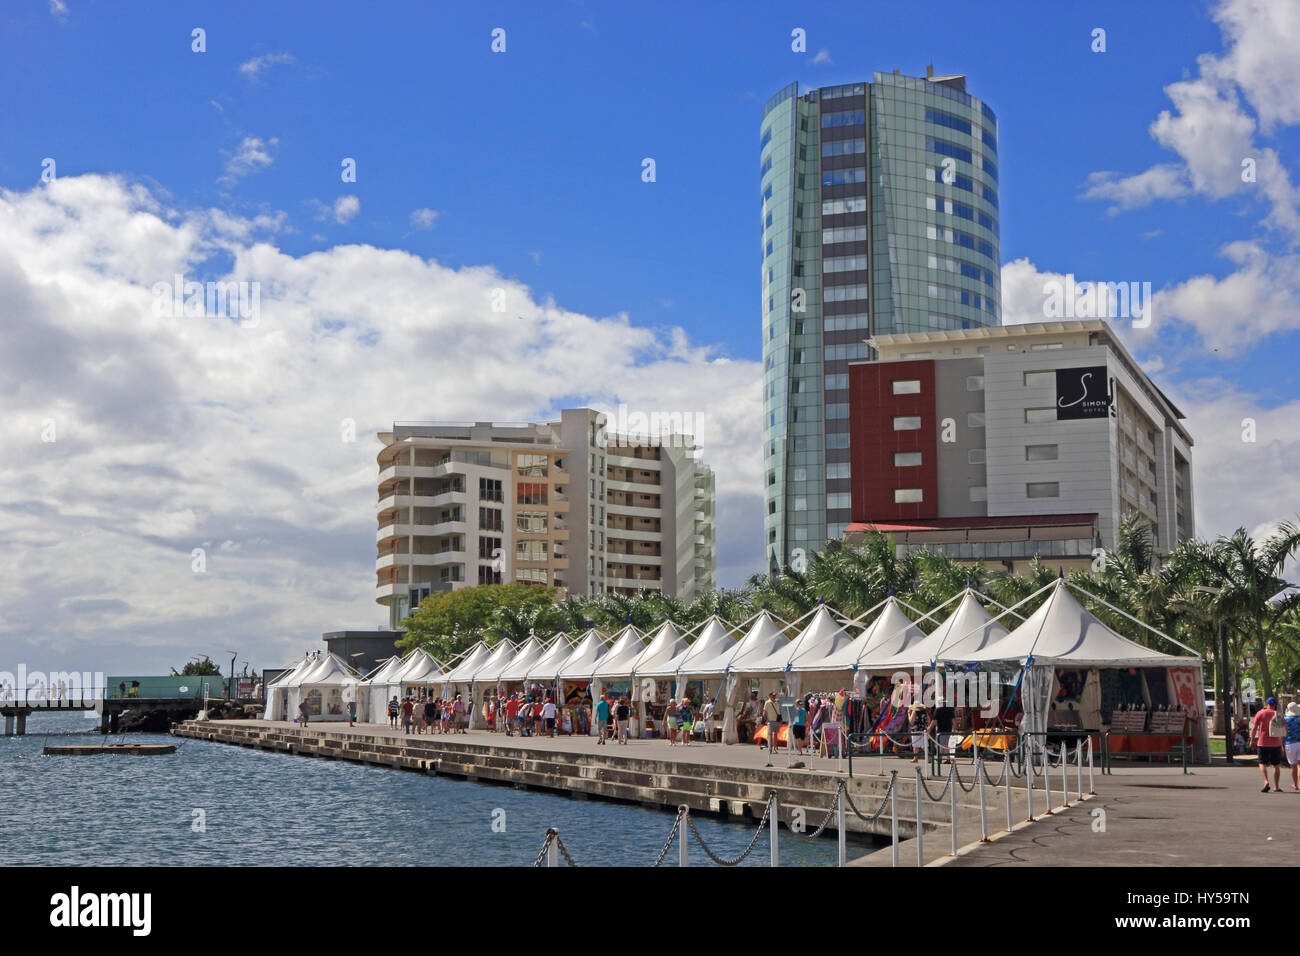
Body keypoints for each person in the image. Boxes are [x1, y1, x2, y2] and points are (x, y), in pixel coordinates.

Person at [1251, 696, 1286, 791]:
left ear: (1267, 704)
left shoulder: (1260, 713)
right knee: (1276, 765)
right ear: (1275, 705)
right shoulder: (1279, 715)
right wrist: (1282, 745)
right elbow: (1283, 731)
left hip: (1262, 743)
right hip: (1276, 744)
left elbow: (1254, 728)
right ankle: (1277, 786)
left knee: (1262, 763)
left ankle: (1266, 782)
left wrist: (1252, 740)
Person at [929, 697, 956, 763]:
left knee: (942, 744)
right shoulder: (950, 709)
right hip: (948, 728)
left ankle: (943, 758)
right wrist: (954, 729)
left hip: (941, 729)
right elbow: (954, 721)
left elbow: (934, 721)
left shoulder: (938, 710)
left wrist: (929, 729)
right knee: (944, 744)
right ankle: (944, 758)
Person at [1285, 701, 1300, 792]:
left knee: (1293, 766)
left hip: (1290, 743)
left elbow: (1282, 733)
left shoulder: (1285, 720)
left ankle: (1295, 784)